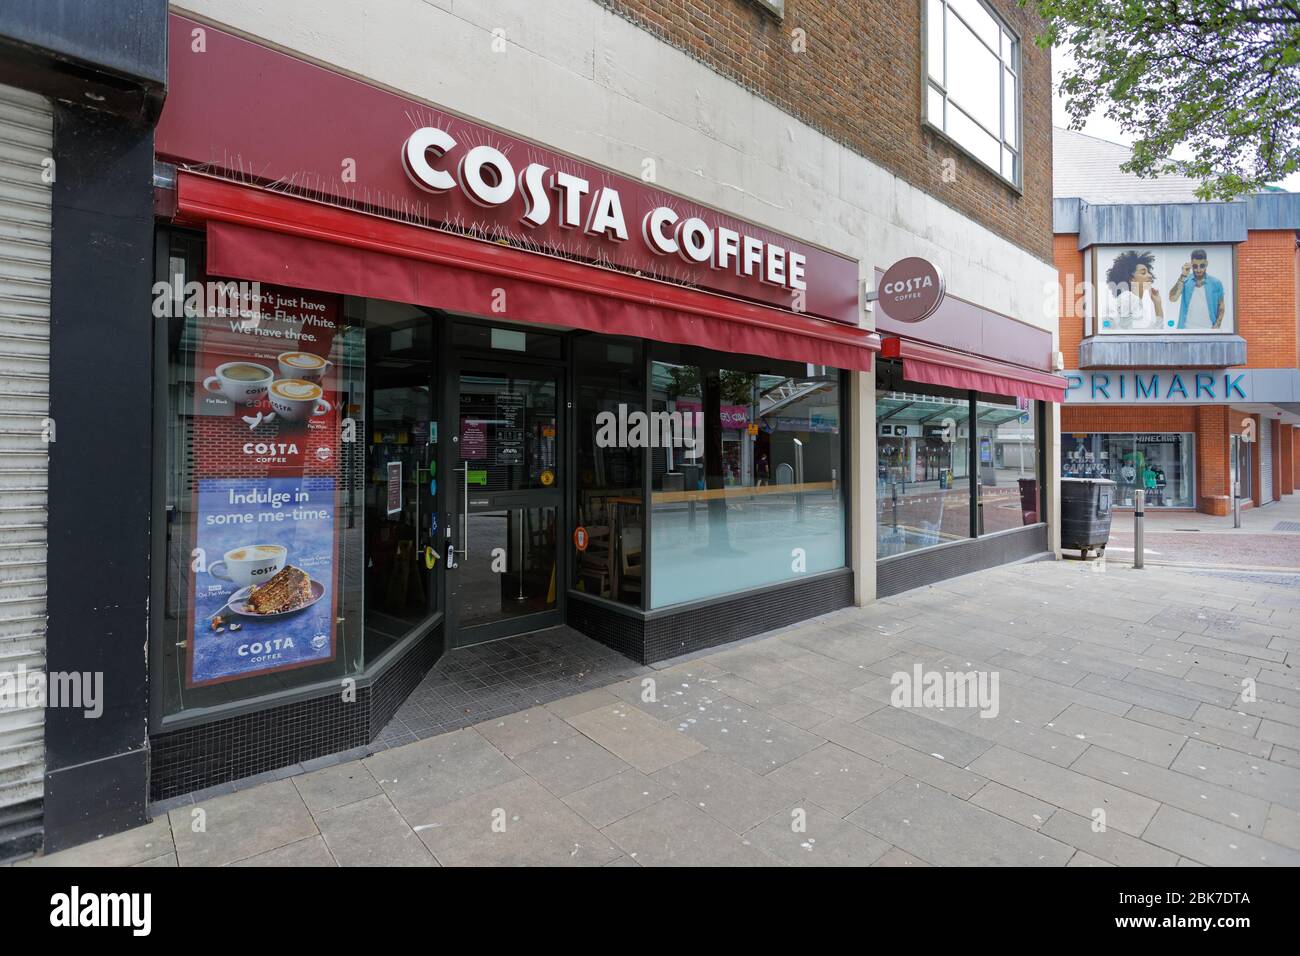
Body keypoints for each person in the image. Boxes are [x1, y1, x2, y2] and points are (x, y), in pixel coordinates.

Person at [1105, 250, 1163, 330]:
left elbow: (1154, 333)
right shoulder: (1128, 298)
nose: (1149, 276)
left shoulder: (1133, 301)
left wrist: (1157, 304)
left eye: (1149, 272)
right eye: (1143, 273)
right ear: (1131, 279)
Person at [1169, 249, 1226, 330]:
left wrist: (1216, 326)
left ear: (1206, 264)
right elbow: (1172, 298)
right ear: (1191, 264)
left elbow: (1221, 307)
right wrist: (1183, 276)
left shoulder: (1216, 283)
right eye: (1195, 266)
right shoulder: (1185, 280)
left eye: (1202, 266)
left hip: (1208, 329)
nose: (1198, 270)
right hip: (1186, 330)